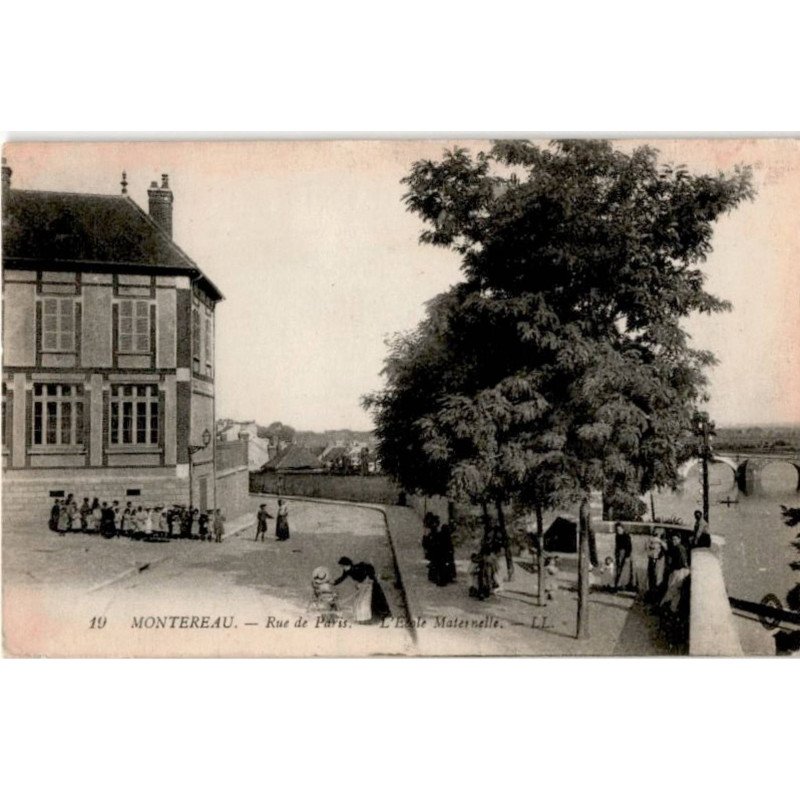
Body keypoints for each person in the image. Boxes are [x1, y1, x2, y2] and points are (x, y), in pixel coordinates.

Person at [334, 557, 391, 623]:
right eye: (342, 567)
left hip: (371, 584)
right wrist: (334, 583)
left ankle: (384, 615)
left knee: (374, 599)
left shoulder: (358, 568)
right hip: (364, 586)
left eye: (343, 566)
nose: (342, 568)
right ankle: (368, 617)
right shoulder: (347, 571)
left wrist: (369, 579)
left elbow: (369, 569)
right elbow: (342, 578)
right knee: (361, 602)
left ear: (347, 565)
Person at [661, 533, 691, 614]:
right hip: (681, 571)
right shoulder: (681, 547)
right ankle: (672, 609)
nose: (673, 541)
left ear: (679, 540)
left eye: (675, 539)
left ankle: (663, 606)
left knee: (672, 589)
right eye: (673, 539)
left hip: (678, 571)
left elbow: (682, 561)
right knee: (677, 592)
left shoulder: (678, 548)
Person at [646, 527, 667, 598]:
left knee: (658, 577)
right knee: (651, 576)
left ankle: (656, 594)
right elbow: (647, 548)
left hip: (659, 560)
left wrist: (660, 541)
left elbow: (666, 548)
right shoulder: (650, 539)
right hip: (652, 559)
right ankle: (651, 593)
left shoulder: (663, 541)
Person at [613, 522, 633, 591]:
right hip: (619, 554)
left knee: (625, 570)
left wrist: (627, 556)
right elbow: (617, 546)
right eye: (617, 529)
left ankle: (624, 585)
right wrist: (616, 554)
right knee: (618, 569)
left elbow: (629, 547)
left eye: (619, 529)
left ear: (622, 529)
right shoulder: (617, 536)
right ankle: (618, 584)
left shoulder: (626, 536)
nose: (618, 531)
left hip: (625, 554)